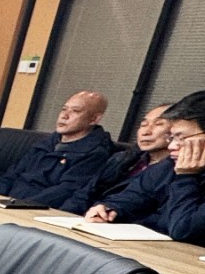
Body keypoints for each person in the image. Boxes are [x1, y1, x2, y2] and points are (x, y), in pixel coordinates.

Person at [84, 91, 205, 244]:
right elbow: (136, 195)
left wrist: (186, 177)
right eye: (172, 138)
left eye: (181, 138)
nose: (172, 146)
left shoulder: (184, 170)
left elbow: (184, 229)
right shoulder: (169, 165)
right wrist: (109, 208)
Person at [0, 91, 114, 209]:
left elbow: (65, 191)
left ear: (94, 119)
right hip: (6, 204)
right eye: (64, 109)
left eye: (75, 111)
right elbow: (12, 173)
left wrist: (20, 205)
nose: (64, 116)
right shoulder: (46, 143)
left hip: (35, 209)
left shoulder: (95, 153)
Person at [73, 102, 171, 212]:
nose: (146, 132)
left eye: (159, 124)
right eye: (143, 125)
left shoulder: (176, 172)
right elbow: (85, 193)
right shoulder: (122, 158)